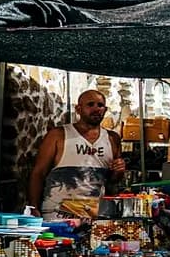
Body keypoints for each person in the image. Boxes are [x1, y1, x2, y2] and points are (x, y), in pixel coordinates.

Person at [29, 89, 126, 219]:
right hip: (58, 213)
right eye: (90, 104)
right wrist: (33, 207)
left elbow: (111, 181)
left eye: (100, 105)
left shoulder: (112, 139)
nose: (96, 109)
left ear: (105, 109)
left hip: (95, 213)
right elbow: (38, 173)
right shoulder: (58, 135)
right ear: (78, 109)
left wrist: (118, 171)